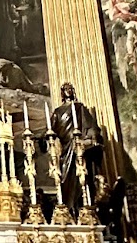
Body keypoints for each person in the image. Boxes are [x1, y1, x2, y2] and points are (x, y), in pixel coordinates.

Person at [47, 83, 104, 213]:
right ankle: (69, 207)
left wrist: (91, 138)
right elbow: (51, 131)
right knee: (65, 179)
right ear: (62, 92)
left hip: (78, 147)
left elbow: (91, 127)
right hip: (65, 151)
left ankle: (82, 206)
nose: (69, 91)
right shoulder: (57, 112)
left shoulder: (80, 108)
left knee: (81, 177)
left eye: (71, 89)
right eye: (66, 89)